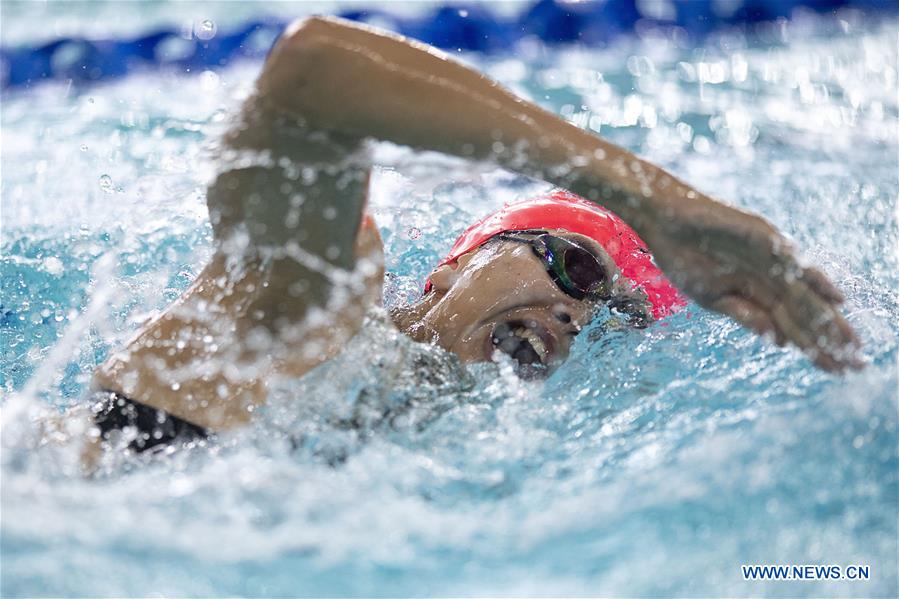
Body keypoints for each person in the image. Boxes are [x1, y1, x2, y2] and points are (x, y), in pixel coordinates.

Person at [85, 16, 860, 455]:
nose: (576, 316)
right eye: (578, 270)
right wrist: (649, 202)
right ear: (454, 264)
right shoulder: (317, 295)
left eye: (613, 317)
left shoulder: (434, 463)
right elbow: (311, 69)